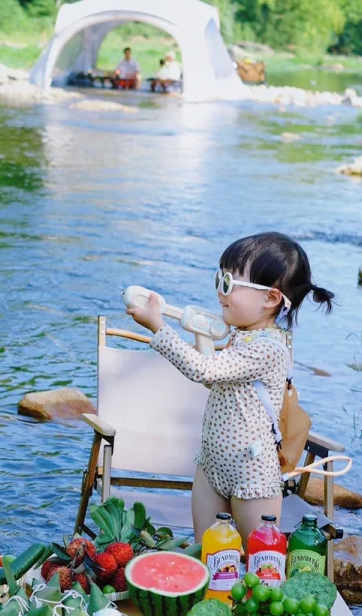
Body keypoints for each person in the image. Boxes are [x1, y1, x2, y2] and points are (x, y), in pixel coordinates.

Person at [126, 232, 334, 544]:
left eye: (228, 284)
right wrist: (202, 334)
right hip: (212, 465)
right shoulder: (243, 335)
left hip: (252, 474)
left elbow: (201, 369)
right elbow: (214, 378)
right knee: (206, 553)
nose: (220, 292)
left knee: (259, 562)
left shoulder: (269, 348)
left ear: (270, 298)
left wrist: (158, 326)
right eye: (219, 279)